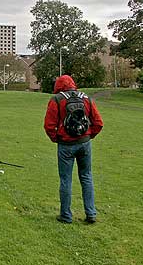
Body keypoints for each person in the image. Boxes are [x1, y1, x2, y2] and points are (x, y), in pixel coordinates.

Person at [43, 75, 103, 224]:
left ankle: (66, 215)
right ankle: (91, 213)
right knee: (87, 177)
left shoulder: (57, 99)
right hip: (85, 143)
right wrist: (89, 136)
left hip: (66, 145)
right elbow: (98, 122)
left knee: (66, 180)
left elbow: (49, 125)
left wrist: (57, 138)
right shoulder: (86, 98)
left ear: (58, 85)